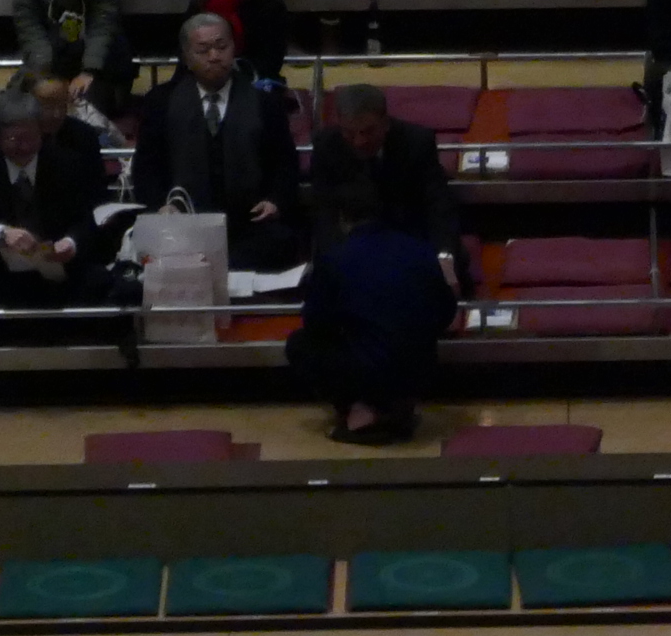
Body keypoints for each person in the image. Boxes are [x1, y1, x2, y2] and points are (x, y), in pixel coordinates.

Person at [128, 13, 303, 273]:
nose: (214, 56)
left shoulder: (264, 102)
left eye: (222, 47)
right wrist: (161, 206)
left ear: (234, 48)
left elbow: (285, 163)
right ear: (187, 57)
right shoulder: (161, 102)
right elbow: (146, 168)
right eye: (203, 50)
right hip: (182, 224)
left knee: (282, 243)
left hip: (249, 222)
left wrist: (275, 201)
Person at [287, 185, 452, 447]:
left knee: (300, 344)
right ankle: (394, 407)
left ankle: (362, 409)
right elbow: (445, 311)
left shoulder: (334, 259)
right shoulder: (421, 250)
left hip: (370, 372)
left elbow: (315, 324)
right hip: (421, 370)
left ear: (342, 218)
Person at [0, 87, 111, 336]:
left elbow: (86, 219)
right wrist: (2, 234)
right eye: (15, 139)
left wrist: (71, 243)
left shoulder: (67, 164)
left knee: (100, 282)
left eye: (31, 137)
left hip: (56, 266)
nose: (24, 146)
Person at [307, 84, 465, 284]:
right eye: (349, 133)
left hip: (409, 240)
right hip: (355, 242)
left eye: (367, 131)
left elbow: (438, 204)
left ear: (386, 123)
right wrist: (338, 258)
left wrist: (444, 255)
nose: (359, 141)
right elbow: (324, 210)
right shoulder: (326, 145)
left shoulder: (416, 141)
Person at [12, 0, 133, 120]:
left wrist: (89, 70)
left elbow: (103, 25)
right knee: (26, 104)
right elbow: (29, 26)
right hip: (49, 54)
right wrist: (44, 71)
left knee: (88, 108)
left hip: (99, 59)